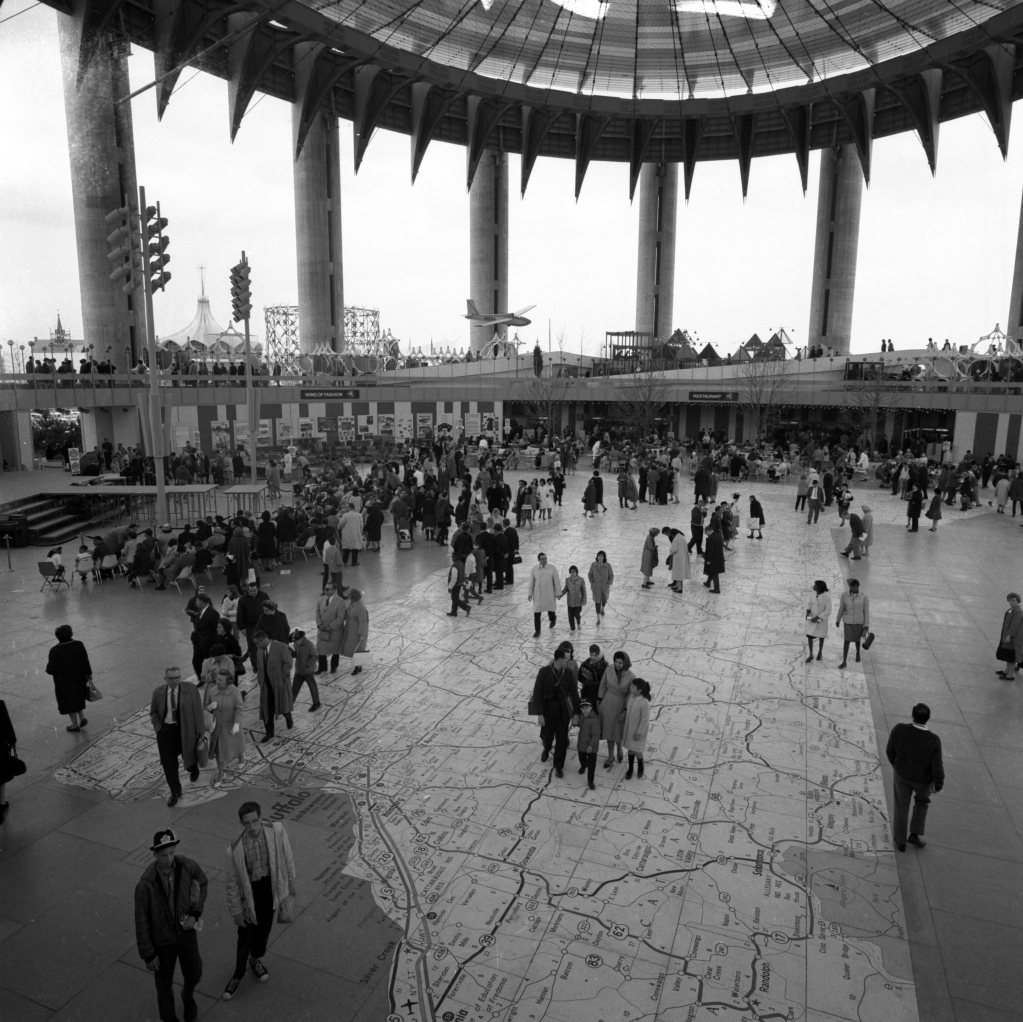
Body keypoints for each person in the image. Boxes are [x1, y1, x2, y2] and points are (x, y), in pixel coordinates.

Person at [223, 801, 297, 1000]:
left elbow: (288, 858)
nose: (252, 826)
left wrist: (290, 886)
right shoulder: (235, 848)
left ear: (261, 817)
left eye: (255, 821)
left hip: (270, 891)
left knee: (263, 932)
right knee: (245, 935)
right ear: (241, 823)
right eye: (247, 823)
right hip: (250, 894)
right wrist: (237, 912)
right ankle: (238, 974)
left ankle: (255, 961)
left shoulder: (277, 831)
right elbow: (232, 884)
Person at [135, 829, 208, 1022]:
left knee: (194, 972)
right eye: (163, 855)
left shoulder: (187, 866)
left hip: (186, 934)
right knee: (164, 986)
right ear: (155, 855)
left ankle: (187, 995)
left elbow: (202, 883)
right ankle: (169, 1019)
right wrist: (148, 954)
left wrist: (195, 913)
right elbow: (141, 920)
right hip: (162, 942)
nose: (168, 859)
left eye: (172, 853)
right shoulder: (146, 884)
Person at [886, 704, 944, 852]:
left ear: (912, 715)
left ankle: (900, 841)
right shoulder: (934, 740)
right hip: (923, 781)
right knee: (922, 804)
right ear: (928, 719)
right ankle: (914, 834)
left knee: (901, 806)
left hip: (902, 775)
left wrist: (897, 766)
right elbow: (937, 766)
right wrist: (938, 784)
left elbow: (890, 752)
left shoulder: (899, 729)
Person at [151, 666, 205, 807]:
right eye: (171, 678)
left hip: (185, 728)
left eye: (177, 677)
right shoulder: (158, 692)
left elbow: (198, 710)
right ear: (165, 679)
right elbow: (154, 712)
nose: (175, 681)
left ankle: (193, 768)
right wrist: (158, 727)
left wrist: (200, 732)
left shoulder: (190, 689)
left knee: (189, 754)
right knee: (169, 764)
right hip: (166, 731)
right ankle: (175, 791)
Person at [530, 646, 580, 778]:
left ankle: (558, 766)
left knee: (562, 739)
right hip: (547, 709)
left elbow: (575, 695)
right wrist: (540, 714)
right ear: (558, 660)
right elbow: (537, 694)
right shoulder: (544, 672)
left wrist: (576, 714)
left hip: (562, 709)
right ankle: (547, 748)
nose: (568, 663)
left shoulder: (568, 673)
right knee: (547, 735)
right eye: (566, 660)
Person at [45, 624, 93, 732]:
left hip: (63, 682)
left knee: (69, 701)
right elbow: (85, 661)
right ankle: (82, 717)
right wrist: (89, 674)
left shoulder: (54, 650)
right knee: (77, 697)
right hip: (79, 678)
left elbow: (51, 669)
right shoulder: (79, 645)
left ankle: (75, 725)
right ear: (71, 634)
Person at [204, 668, 245, 787]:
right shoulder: (212, 691)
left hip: (231, 725)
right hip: (217, 728)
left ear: (228, 681)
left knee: (237, 744)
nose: (218, 682)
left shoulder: (235, 691)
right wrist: (210, 707)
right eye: (217, 679)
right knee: (219, 752)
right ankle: (221, 773)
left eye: (221, 680)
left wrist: (237, 723)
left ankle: (241, 756)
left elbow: (240, 708)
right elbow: (206, 706)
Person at [252, 630, 293, 743]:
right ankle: (269, 733)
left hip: (279, 683)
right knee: (267, 709)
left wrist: (283, 677)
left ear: (262, 640)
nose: (256, 646)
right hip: (266, 685)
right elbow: (259, 665)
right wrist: (260, 680)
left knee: (282, 704)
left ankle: (287, 715)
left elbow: (288, 663)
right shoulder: (260, 650)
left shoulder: (281, 647)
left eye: (257, 643)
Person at [598, 651, 634, 768]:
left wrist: (625, 709)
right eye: (616, 662)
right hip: (608, 703)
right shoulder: (609, 670)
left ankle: (619, 749)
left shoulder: (631, 676)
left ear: (625, 663)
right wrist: (599, 700)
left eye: (620, 662)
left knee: (617, 731)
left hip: (621, 704)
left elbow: (630, 694)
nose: (617, 665)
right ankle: (610, 756)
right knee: (608, 731)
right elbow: (603, 684)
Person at [835, 578, 870, 669]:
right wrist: (838, 619)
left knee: (857, 640)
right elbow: (841, 608)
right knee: (846, 641)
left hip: (859, 622)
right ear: (850, 587)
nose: (856, 588)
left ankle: (858, 652)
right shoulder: (845, 595)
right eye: (854, 587)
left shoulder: (864, 597)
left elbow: (866, 612)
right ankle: (844, 661)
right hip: (848, 622)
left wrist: (866, 625)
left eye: (857, 587)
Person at [623, 678, 652, 779]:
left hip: (637, 732)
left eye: (633, 687)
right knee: (630, 749)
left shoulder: (644, 702)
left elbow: (645, 720)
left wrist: (639, 733)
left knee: (637, 751)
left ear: (639, 690)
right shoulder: (631, 697)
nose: (630, 688)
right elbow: (628, 709)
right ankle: (630, 769)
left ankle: (640, 765)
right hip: (630, 730)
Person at [528, 552, 561, 637]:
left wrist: (558, 593)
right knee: (537, 613)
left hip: (549, 594)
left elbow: (556, 582)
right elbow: (531, 582)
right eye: (542, 559)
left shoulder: (552, 568)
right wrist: (529, 593)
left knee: (551, 611)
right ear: (539, 560)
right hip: (538, 595)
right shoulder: (534, 569)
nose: (544, 560)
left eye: (545, 558)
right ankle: (537, 631)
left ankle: (553, 619)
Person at [189, 594, 221, 682]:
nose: (195, 602)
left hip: (208, 642)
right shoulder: (200, 610)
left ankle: (214, 678)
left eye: (197, 601)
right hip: (198, 641)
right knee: (196, 661)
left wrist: (214, 643)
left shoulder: (213, 613)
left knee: (211, 662)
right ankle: (201, 679)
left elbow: (216, 629)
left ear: (202, 602)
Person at [315, 582, 345, 673]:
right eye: (325, 588)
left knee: (335, 650)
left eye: (328, 589)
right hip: (322, 629)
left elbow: (341, 617)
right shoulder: (320, 600)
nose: (325, 590)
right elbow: (317, 612)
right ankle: (322, 667)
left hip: (334, 631)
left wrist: (331, 626)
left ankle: (334, 666)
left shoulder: (340, 602)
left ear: (334, 590)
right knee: (321, 649)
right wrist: (319, 624)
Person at [290, 628, 321, 710]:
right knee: (294, 689)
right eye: (294, 641)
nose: (295, 643)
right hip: (299, 671)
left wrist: (308, 665)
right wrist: (292, 654)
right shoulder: (296, 644)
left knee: (312, 687)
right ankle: (289, 705)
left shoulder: (309, 644)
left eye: (296, 641)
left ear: (301, 639)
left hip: (308, 671)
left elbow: (315, 656)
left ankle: (316, 703)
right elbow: (297, 654)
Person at [341, 589, 370, 674]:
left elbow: (363, 623)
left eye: (349, 595)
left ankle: (358, 667)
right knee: (354, 650)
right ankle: (358, 666)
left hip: (357, 633)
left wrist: (362, 635)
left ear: (353, 597)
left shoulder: (360, 608)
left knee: (358, 650)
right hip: (351, 632)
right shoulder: (352, 605)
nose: (348, 597)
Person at [996, 592, 1023, 681]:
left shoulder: (1018, 612)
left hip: (1013, 638)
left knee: (1012, 655)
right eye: (1010, 600)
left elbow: (1014, 626)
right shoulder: (1011, 610)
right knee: (1008, 653)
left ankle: (1010, 675)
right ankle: (1007, 671)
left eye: (1014, 600)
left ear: (1018, 601)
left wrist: (1009, 636)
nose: (1012, 602)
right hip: (1008, 636)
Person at [576, 699, 600, 791]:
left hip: (591, 748)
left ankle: (590, 781)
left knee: (592, 765)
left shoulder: (594, 720)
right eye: (583, 708)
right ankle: (583, 766)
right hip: (582, 745)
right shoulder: (582, 717)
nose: (585, 710)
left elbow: (596, 735)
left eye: (587, 707)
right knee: (581, 758)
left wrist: (591, 745)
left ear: (591, 708)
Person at [805, 580, 831, 662]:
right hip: (812, 618)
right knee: (809, 636)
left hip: (820, 621)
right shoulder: (813, 593)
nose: (813, 586)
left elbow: (828, 610)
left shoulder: (827, 597)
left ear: (819, 588)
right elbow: (810, 603)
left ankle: (820, 653)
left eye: (815, 585)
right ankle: (811, 654)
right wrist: (808, 610)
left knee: (821, 637)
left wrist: (818, 617)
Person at [588, 550, 614, 622]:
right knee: (597, 602)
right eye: (599, 556)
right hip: (596, 587)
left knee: (604, 600)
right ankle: (598, 618)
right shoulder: (593, 565)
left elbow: (611, 575)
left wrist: (608, 584)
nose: (600, 558)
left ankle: (603, 608)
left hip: (604, 587)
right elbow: (590, 574)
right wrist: (592, 581)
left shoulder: (608, 566)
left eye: (601, 556)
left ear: (604, 557)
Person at [561, 566, 587, 631]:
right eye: (571, 572)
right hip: (570, 602)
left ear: (576, 572)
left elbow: (584, 591)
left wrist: (584, 600)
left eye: (574, 571)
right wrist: (560, 595)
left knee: (577, 614)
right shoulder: (567, 580)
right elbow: (565, 589)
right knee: (570, 616)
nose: (573, 573)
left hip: (578, 601)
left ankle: (578, 622)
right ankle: (572, 629)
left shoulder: (581, 580)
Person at [667, 528, 691, 594]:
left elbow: (674, 549)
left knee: (678, 573)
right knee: (678, 573)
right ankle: (677, 586)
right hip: (682, 557)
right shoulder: (681, 537)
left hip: (678, 558)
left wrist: (670, 553)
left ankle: (679, 588)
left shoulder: (676, 539)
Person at [702, 526, 724, 594]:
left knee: (714, 573)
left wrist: (708, 560)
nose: (705, 534)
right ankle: (708, 582)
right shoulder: (718, 536)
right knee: (712, 571)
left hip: (713, 558)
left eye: (705, 532)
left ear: (708, 531)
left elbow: (710, 550)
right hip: (719, 557)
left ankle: (717, 589)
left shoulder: (711, 538)